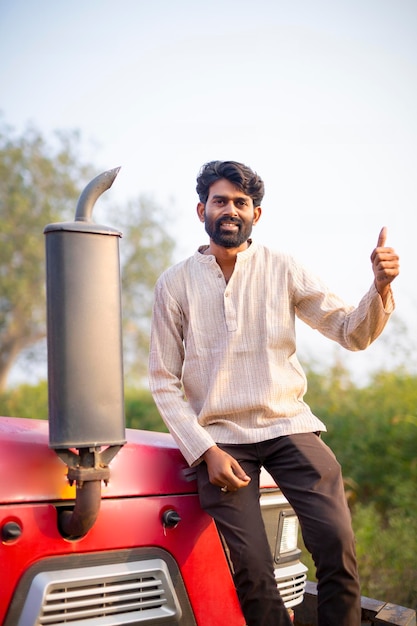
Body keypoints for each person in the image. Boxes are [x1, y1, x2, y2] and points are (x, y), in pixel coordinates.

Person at [148, 160, 400, 626]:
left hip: (288, 426)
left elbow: (351, 332)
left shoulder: (283, 268)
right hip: (222, 441)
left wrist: (379, 287)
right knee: (253, 573)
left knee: (336, 544)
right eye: (220, 201)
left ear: (255, 215)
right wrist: (205, 451)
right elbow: (163, 380)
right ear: (201, 209)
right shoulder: (174, 283)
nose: (230, 210)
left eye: (240, 203)